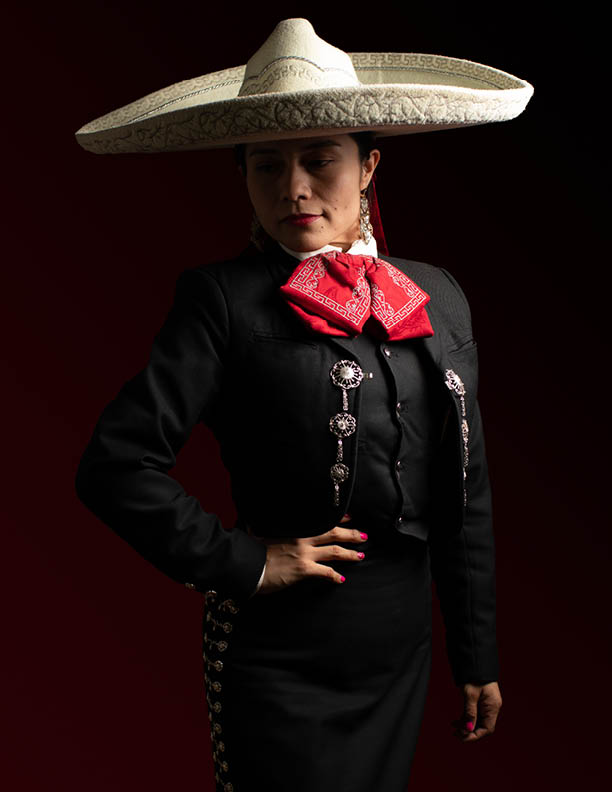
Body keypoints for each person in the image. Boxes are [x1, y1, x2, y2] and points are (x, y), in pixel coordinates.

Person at [74, 18, 533, 792]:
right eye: (266, 166)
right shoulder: (221, 300)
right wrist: (245, 561)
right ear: (244, 176)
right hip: (281, 650)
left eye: (319, 160)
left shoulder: (438, 295)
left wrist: (476, 653)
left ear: (368, 167)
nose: (294, 188)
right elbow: (114, 466)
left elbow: (467, 490)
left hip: (399, 648)